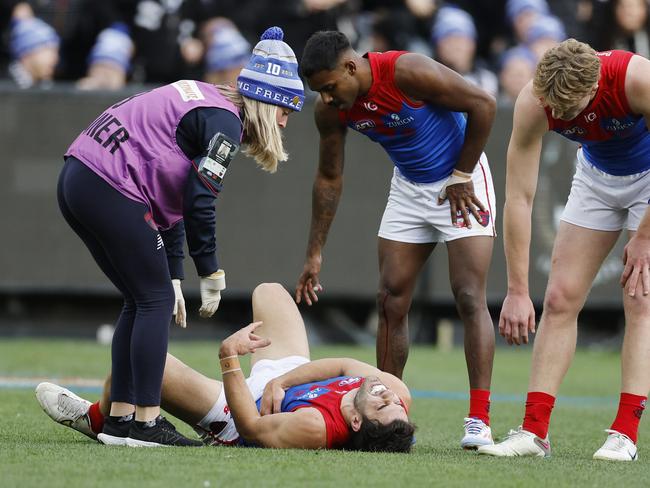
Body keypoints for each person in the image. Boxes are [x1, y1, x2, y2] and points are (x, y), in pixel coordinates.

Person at [56, 26, 304, 447]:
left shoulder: (208, 101)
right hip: (108, 184)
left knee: (141, 298)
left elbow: (168, 193)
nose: (285, 121)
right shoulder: (225, 124)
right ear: (269, 101)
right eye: (286, 111)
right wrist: (209, 271)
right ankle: (146, 425)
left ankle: (120, 421)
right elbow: (198, 201)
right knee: (151, 300)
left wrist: (173, 270)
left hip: (80, 176)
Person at [294, 30, 497, 449]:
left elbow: (484, 104)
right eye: (321, 92)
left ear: (351, 67)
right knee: (390, 299)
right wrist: (315, 252)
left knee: (469, 295)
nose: (328, 98)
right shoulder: (331, 109)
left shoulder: (407, 70)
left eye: (330, 87)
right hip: (409, 187)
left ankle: (479, 420)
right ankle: (389, 413)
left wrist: (461, 175)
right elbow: (329, 176)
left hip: (462, 179)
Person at [478, 38, 650, 461]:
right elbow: (518, 197)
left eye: (571, 111)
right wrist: (518, 289)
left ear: (595, 88)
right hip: (596, 177)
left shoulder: (637, 79)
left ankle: (625, 434)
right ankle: (534, 432)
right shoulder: (534, 102)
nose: (562, 117)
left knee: (639, 297)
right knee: (558, 298)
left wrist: (644, 236)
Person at [35, 283, 415, 451]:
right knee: (270, 292)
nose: (385, 393)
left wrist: (229, 357)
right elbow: (346, 363)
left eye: (381, 404)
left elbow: (252, 427)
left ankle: (97, 418)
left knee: (138, 368)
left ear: (355, 424)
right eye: (392, 400)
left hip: (244, 411)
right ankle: (107, 417)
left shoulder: (314, 427)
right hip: (285, 386)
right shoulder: (397, 396)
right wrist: (281, 380)